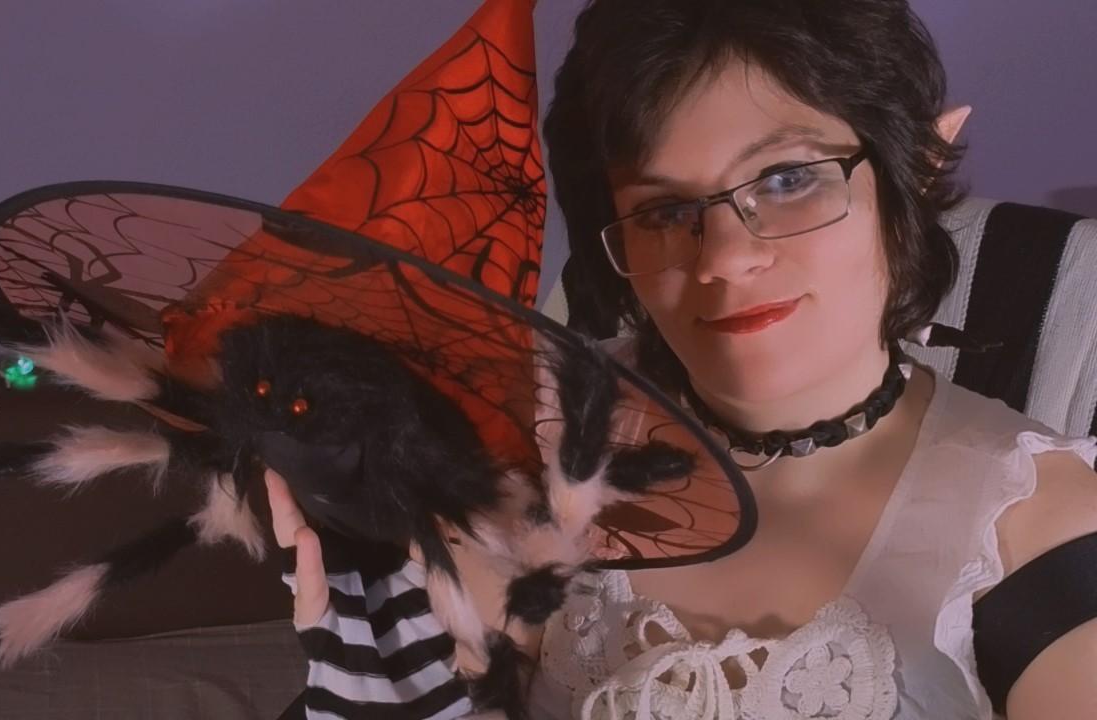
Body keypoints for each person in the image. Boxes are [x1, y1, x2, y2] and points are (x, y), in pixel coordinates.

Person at [271, 1, 1097, 718]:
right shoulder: (521, 442)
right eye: (664, 210)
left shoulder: (1038, 524)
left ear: (912, 169)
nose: (724, 258)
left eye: (787, 179)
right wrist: (385, 654)